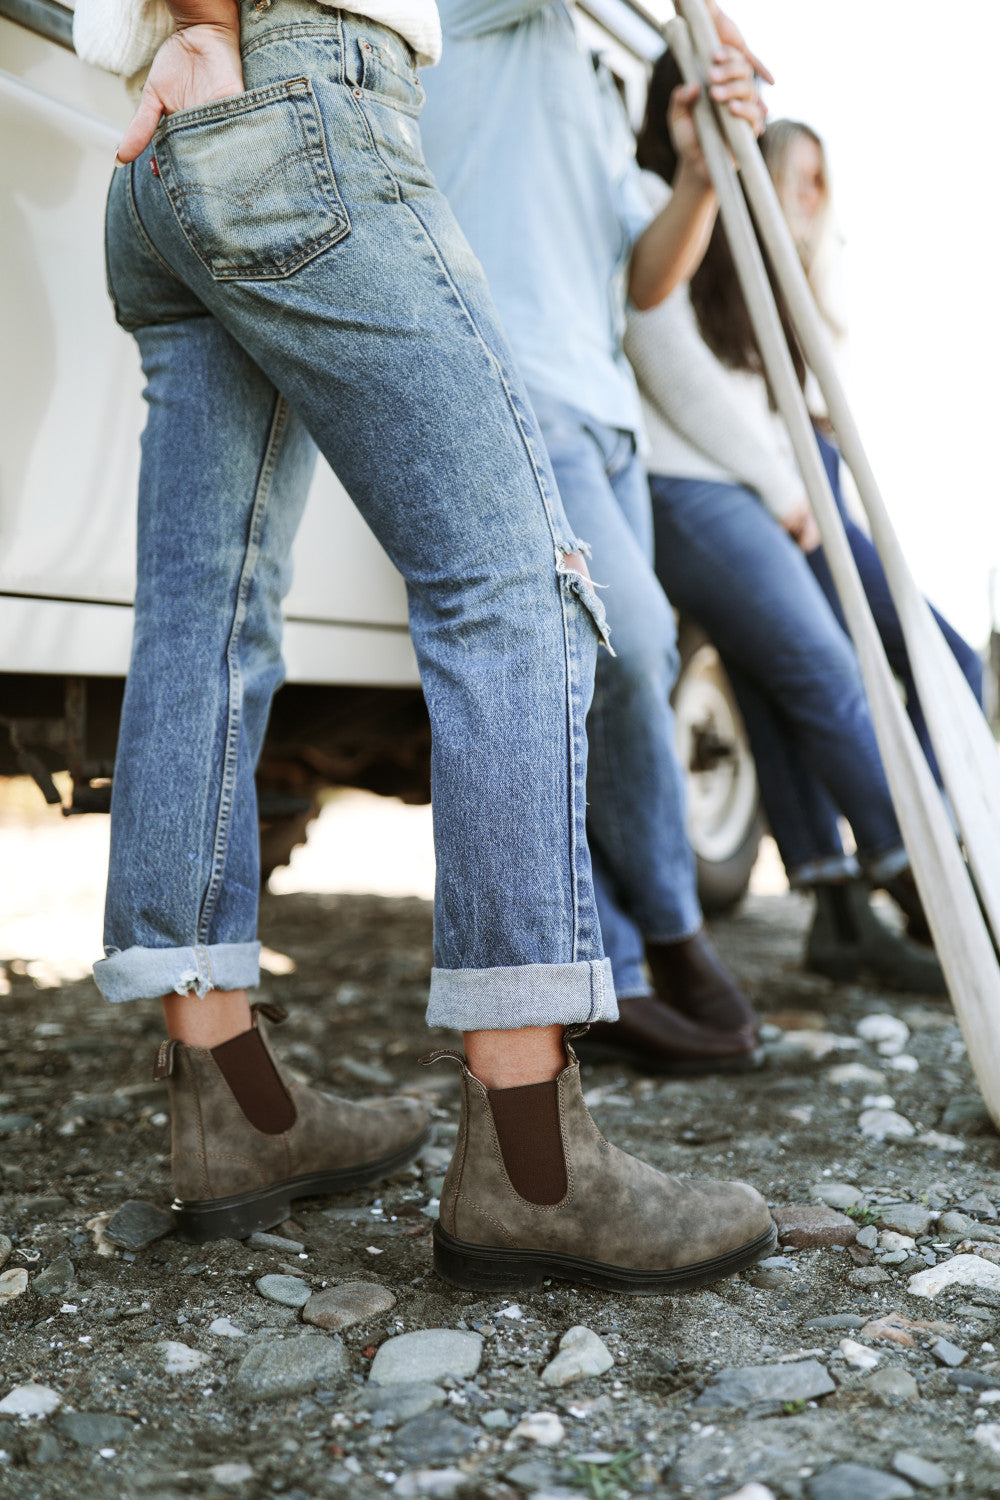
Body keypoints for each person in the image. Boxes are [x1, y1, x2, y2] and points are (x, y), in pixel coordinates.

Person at [71, 0, 775, 1288]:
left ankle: (236, 1106)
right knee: (514, 584)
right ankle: (529, 1161)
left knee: (207, 612)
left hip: (176, 141)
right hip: (298, 94)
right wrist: (212, 23)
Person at [419, 0, 775, 1074]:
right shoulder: (472, 13)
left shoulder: (583, 71)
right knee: (608, 657)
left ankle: (634, 958)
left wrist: (699, 172)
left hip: (606, 414)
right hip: (517, 383)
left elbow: (643, 274)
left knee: (629, 660)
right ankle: (644, 949)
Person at [613, 51, 953, 992]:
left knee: (785, 679)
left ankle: (848, 907)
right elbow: (672, 362)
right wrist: (779, 483)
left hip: (733, 485)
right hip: (693, 486)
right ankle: (931, 888)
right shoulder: (650, 194)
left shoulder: (717, 215)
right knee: (828, 672)